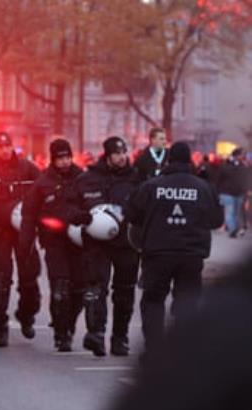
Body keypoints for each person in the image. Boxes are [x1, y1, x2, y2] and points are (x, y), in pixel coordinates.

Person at [108, 254, 252, 410]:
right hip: (189, 249)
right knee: (183, 301)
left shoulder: (231, 314)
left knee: (159, 301)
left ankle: (156, 349)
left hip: (160, 250)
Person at [125, 142, 223, 360]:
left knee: (153, 301)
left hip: (157, 252)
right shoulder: (203, 187)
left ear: (169, 160)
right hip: (191, 254)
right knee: (187, 302)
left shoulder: (152, 186)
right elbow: (217, 220)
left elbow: (131, 213)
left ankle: (155, 351)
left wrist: (150, 222)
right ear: (189, 160)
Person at [73, 137, 141, 356]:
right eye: (117, 153)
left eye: (124, 152)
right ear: (107, 155)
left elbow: (145, 208)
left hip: (126, 243)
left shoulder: (136, 178)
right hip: (96, 243)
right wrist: (79, 216)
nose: (122, 157)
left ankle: (120, 338)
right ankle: (96, 334)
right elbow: (71, 206)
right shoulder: (88, 178)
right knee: (95, 288)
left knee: (124, 292)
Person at [0, 132, 41, 347]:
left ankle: (26, 314)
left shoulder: (27, 168)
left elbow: (42, 190)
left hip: (24, 231)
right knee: (0, 282)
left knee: (29, 278)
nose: (5, 150)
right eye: (0, 147)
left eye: (8, 146)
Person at [19, 138, 86, 352]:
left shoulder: (83, 179)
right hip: (53, 241)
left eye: (67, 157)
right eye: (60, 158)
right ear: (53, 159)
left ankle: (70, 323)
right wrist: (25, 243)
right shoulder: (42, 183)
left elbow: (93, 206)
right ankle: (60, 331)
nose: (65, 162)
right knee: (60, 286)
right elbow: (29, 215)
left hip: (78, 241)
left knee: (79, 289)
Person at [216, 147, 248, 238]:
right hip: (228, 193)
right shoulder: (229, 165)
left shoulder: (241, 166)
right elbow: (220, 179)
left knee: (235, 213)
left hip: (235, 193)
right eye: (242, 154)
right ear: (237, 155)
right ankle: (233, 229)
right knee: (230, 212)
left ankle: (234, 229)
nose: (244, 156)